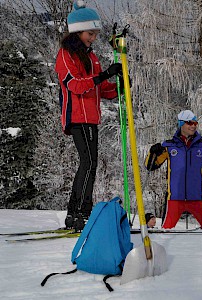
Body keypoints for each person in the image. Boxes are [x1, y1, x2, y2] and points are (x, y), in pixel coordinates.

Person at [55, 1, 122, 230]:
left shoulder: (91, 57)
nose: (93, 38)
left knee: (90, 164)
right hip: (76, 116)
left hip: (91, 118)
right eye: (89, 33)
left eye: (94, 34)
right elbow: (75, 85)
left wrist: (119, 87)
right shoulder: (66, 55)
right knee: (88, 162)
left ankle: (77, 213)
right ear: (77, 31)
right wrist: (103, 75)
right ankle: (79, 212)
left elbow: (99, 89)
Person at [145, 110, 202, 230]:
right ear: (181, 123)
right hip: (174, 199)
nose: (193, 126)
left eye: (195, 123)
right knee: (165, 232)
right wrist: (152, 152)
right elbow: (151, 166)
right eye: (189, 123)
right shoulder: (169, 146)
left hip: (197, 198)